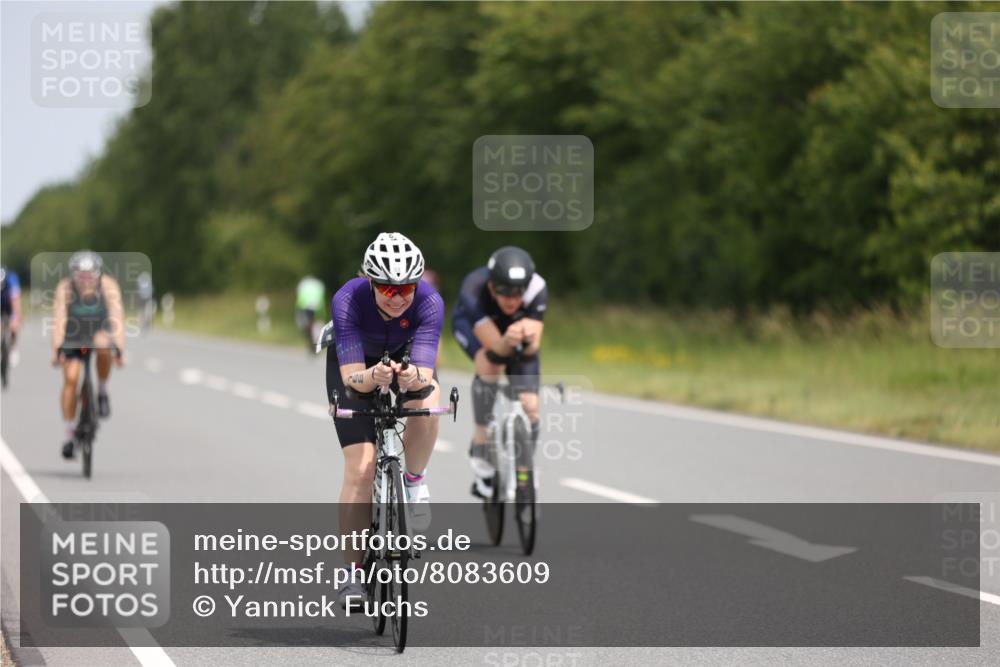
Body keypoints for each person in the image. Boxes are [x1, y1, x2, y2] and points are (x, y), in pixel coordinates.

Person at [325, 232, 444, 608]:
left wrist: (414, 380)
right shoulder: (348, 300)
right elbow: (351, 379)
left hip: (405, 355)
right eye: (388, 290)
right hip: (358, 364)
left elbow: (425, 372)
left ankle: (414, 482)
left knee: (428, 399)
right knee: (361, 467)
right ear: (370, 282)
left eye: (406, 288)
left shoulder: (429, 302)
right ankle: (352, 575)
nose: (399, 298)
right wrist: (373, 377)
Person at [452, 246, 546, 499]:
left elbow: (531, 349)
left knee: (531, 405)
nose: (512, 298)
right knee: (489, 366)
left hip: (512, 330)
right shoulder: (473, 288)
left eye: (518, 291)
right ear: (492, 285)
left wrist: (528, 338)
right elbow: (496, 351)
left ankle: (525, 466)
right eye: (504, 290)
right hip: (473, 325)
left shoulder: (537, 287)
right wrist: (508, 341)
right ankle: (481, 441)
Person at [51, 251, 126, 459]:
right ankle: (69, 433)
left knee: (104, 346)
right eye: (80, 275)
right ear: (73, 275)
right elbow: (59, 320)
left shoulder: (108, 286)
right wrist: (57, 350)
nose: (85, 280)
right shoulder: (65, 288)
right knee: (71, 378)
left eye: (90, 275)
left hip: (98, 329)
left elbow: (117, 316)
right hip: (73, 332)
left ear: (98, 274)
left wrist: (119, 349)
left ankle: (101, 390)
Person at [1, 266, 23, 387]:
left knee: (14, 327)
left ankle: (13, 347)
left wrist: (16, 318)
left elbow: (16, 302)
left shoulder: (12, 280)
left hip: (9, 304)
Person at [295, 275, 326, 350]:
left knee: (306, 324)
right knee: (314, 323)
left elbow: (299, 296)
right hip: (317, 305)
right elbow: (322, 296)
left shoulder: (303, 283)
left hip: (304, 305)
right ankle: (314, 338)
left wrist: (297, 309)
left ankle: (309, 335)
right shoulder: (319, 284)